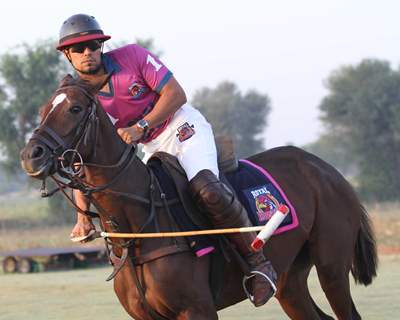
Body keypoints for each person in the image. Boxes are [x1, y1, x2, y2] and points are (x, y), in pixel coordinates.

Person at [57, 14, 276, 307]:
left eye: (93, 45)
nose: (88, 52)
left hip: (183, 129)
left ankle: (258, 263)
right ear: (67, 54)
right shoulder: (82, 97)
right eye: (79, 48)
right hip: (151, 148)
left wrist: (141, 127)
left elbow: (176, 93)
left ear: (101, 46)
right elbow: (82, 159)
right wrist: (82, 217)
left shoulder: (132, 56)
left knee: (207, 189)